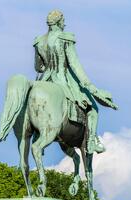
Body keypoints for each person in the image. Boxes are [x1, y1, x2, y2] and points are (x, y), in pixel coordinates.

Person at [33, 10, 117, 155]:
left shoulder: (39, 41)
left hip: (45, 80)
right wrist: (90, 86)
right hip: (63, 79)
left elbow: (38, 67)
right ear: (59, 21)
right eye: (63, 20)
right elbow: (75, 65)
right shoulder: (66, 39)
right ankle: (91, 142)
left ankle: (36, 134)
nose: (64, 23)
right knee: (93, 109)